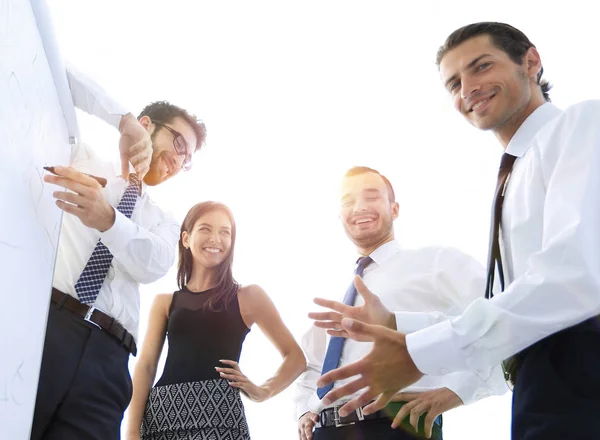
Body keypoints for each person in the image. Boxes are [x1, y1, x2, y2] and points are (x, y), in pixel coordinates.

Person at [316, 22, 600, 440]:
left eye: (481, 66)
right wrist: (399, 322)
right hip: (540, 380)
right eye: (453, 82)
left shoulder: (580, 124)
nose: (468, 87)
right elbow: (505, 303)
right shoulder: (510, 177)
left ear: (531, 62)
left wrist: (419, 353)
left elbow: (576, 277)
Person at [32, 81, 207, 439]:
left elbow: (153, 263)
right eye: (178, 143)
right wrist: (122, 120)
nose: (179, 160)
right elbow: (52, 70)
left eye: (187, 158)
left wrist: (108, 219)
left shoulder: (164, 220)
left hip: (109, 361)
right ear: (147, 125)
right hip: (46, 331)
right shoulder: (80, 158)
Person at [296, 166, 506, 440]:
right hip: (326, 432)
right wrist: (304, 409)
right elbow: (312, 363)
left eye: (371, 197)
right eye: (348, 201)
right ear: (340, 216)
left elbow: (500, 318)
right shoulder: (338, 295)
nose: (359, 207)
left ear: (394, 209)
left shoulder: (437, 262)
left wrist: (460, 390)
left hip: (398, 426)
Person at [125, 201, 307, 440]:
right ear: (186, 238)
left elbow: (296, 358)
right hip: (162, 416)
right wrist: (131, 431)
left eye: (225, 232)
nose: (215, 238)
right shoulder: (165, 302)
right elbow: (146, 367)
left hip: (220, 416)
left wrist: (263, 391)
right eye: (205, 229)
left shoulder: (249, 297)